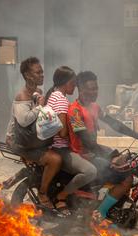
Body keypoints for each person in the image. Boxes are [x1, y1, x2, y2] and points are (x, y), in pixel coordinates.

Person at [68, 71, 138, 222]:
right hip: (83, 155)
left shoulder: (95, 107)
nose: (95, 92)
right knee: (126, 178)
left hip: (94, 153)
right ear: (81, 89)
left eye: (96, 88)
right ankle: (100, 214)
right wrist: (111, 155)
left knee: (127, 164)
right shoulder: (74, 111)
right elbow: (86, 141)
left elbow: (115, 124)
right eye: (91, 88)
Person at [5, 57, 62, 213]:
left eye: (42, 71)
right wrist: (41, 106)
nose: (42, 75)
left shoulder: (37, 93)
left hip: (33, 140)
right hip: (21, 142)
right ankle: (43, 194)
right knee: (55, 160)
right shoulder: (22, 96)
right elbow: (23, 121)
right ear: (28, 75)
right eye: (38, 72)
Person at [44, 66, 97, 216]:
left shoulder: (54, 95)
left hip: (56, 146)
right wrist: (72, 129)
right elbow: (62, 133)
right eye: (73, 83)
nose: (75, 86)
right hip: (60, 148)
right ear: (65, 83)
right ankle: (62, 195)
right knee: (90, 171)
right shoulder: (61, 100)